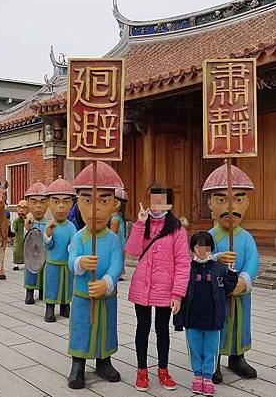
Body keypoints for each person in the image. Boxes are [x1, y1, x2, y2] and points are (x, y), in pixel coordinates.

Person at [124, 185, 190, 392]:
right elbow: (133, 251)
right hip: (142, 286)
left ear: (169, 204)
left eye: (161, 201)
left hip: (165, 288)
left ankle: (163, 369)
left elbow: (183, 262)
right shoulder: (143, 224)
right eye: (154, 200)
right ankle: (142, 370)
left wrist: (178, 294)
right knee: (142, 328)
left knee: (162, 330)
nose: (156, 205)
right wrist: (139, 223)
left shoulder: (177, 229)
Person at [67, 162, 124, 389]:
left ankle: (104, 360)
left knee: (106, 328)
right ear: (79, 203)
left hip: (106, 297)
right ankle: (78, 363)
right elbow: (71, 260)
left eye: (103, 201)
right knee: (81, 327)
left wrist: (107, 282)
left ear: (114, 204)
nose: (96, 209)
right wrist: (81, 262)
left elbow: (117, 265)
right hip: (82, 295)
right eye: (88, 201)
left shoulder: (113, 239)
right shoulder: (80, 237)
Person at [203, 164, 260, 383]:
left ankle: (238, 357)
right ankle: (214, 359)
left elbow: (253, 261)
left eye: (238, 199)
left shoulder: (246, 238)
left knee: (239, 325)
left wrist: (244, 280)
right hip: (216, 296)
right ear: (210, 203)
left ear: (246, 202)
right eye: (220, 200)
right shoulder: (209, 236)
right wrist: (216, 260)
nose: (230, 207)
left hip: (240, 295)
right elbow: (201, 259)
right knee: (216, 325)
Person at [173, 231, 239, 396]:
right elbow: (179, 291)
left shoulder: (218, 269)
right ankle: (197, 375)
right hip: (192, 318)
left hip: (212, 319)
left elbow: (228, 289)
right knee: (195, 348)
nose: (202, 250)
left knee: (211, 348)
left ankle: (208, 377)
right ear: (192, 248)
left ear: (212, 248)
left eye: (206, 247)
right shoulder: (186, 269)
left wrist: (231, 274)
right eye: (198, 246)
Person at [43, 177, 77, 322]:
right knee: (51, 285)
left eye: (66, 202)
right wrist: (48, 234)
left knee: (66, 286)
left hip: (66, 264)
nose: (61, 206)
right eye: (56, 201)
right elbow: (47, 245)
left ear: (71, 204)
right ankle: (49, 309)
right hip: (52, 263)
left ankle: (65, 307)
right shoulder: (50, 225)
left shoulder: (71, 227)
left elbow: (74, 244)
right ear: (49, 203)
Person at [23, 180, 48, 304]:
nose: (38, 206)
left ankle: (43, 291)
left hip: (44, 254)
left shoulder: (48, 223)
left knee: (44, 273)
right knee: (30, 273)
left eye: (42, 202)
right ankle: (29, 292)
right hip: (31, 255)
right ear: (28, 203)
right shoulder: (28, 222)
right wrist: (26, 229)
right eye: (34, 202)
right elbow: (24, 238)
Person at [110, 188, 128, 281]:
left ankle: (118, 272)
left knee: (116, 257)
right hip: (122, 242)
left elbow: (112, 232)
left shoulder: (115, 219)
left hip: (118, 242)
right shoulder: (119, 217)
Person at [12, 200, 29, 271]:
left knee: (27, 250)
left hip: (28, 238)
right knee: (17, 251)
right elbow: (13, 230)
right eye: (19, 208)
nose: (21, 210)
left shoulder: (29, 220)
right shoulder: (16, 221)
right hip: (19, 238)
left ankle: (27, 263)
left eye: (24, 208)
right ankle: (16, 264)